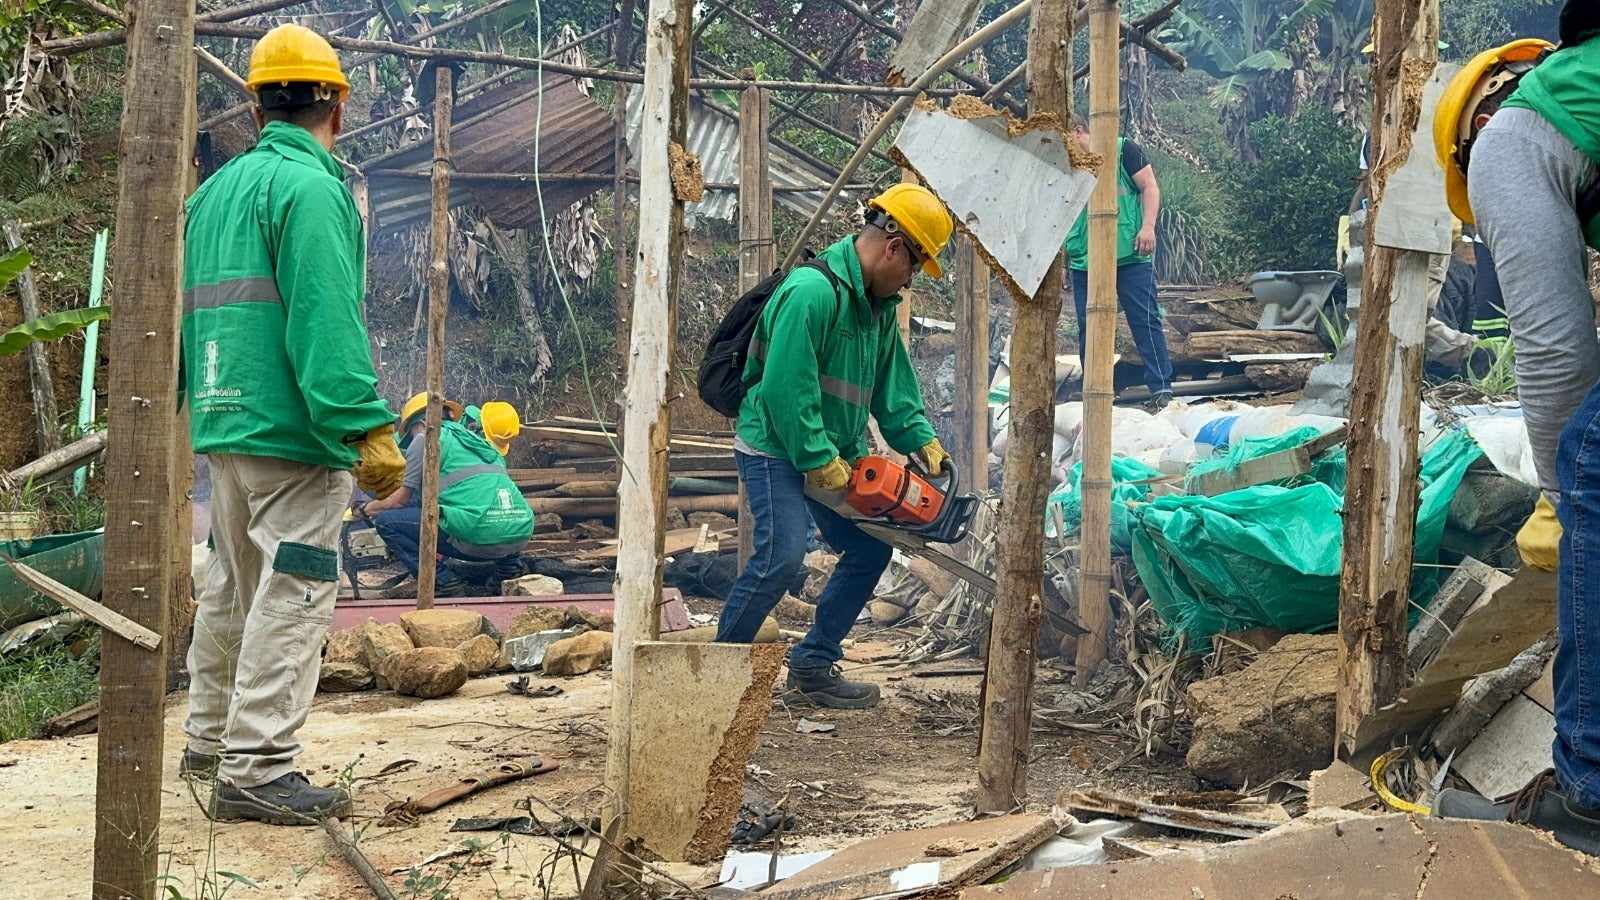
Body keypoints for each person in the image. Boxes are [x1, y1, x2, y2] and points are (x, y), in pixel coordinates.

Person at [180, 24, 404, 824]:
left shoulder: (211, 195)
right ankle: (257, 768)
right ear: (338, 106)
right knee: (295, 591)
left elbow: (196, 315)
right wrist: (361, 425)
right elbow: (324, 317)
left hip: (224, 422)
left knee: (231, 589)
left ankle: (208, 744)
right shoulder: (311, 189)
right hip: (293, 433)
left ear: (256, 107)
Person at [1429, 24, 1600, 853]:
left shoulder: (1513, 133)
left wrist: (1563, 496)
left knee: (1592, 457)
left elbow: (1556, 349)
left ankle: (1589, 799)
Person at [714, 184, 953, 709]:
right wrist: (817, 458)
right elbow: (786, 388)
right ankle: (715, 680)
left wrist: (923, 440)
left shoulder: (877, 310)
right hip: (775, 444)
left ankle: (813, 664)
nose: (910, 280)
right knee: (780, 556)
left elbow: (894, 389)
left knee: (870, 548)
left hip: (832, 450)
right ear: (894, 247)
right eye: (914, 267)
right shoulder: (811, 292)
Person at [360, 393, 534, 596]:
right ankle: (509, 567)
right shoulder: (483, 444)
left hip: (477, 540)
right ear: (450, 414)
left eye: (411, 433)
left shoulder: (425, 439)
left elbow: (399, 502)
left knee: (387, 522)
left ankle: (444, 580)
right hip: (521, 532)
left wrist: (363, 510)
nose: (412, 439)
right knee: (493, 508)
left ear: (422, 424)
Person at [1064, 114, 1173, 408]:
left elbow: (1150, 186)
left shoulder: (1123, 149)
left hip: (1129, 253)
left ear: (1078, 132)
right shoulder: (1065, 165)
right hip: (1085, 259)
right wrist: (1064, 260)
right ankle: (1095, 392)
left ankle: (1161, 388)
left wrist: (1148, 227)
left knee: (1144, 319)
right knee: (1088, 327)